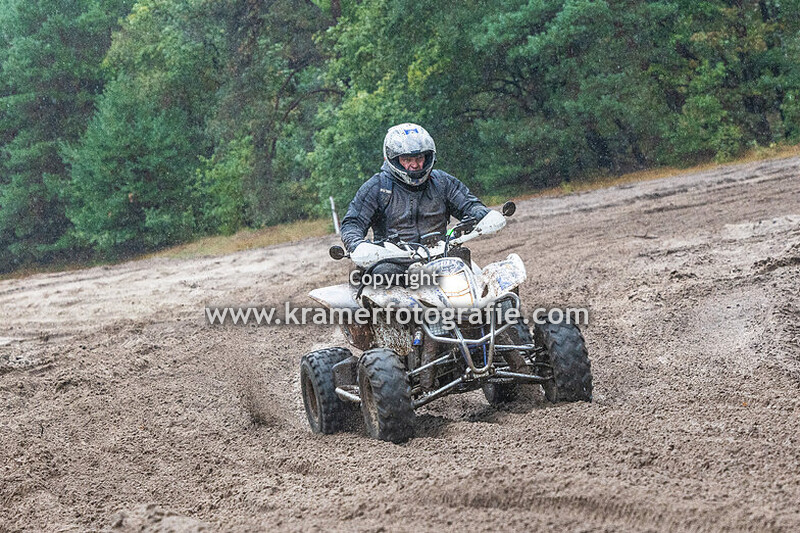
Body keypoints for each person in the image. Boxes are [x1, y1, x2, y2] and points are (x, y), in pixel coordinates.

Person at [340, 123, 490, 256]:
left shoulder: (442, 182)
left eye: (419, 158)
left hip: (441, 255)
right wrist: (357, 244)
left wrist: (481, 213)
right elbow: (353, 223)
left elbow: (470, 205)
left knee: (471, 269)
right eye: (407, 160)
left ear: (428, 157)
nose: (415, 165)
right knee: (378, 275)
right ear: (393, 159)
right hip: (393, 260)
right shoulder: (378, 187)